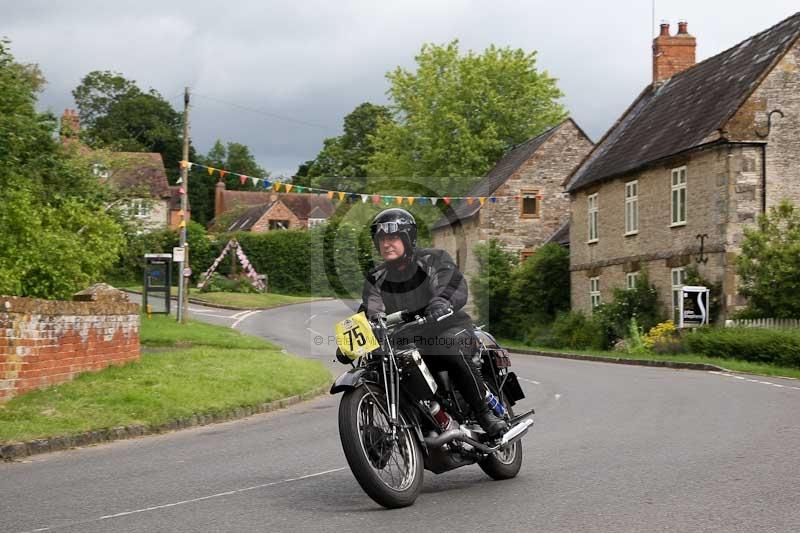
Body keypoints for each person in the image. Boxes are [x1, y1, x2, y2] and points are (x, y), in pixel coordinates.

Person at [361, 208, 506, 436]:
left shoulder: (433, 259)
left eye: (393, 238)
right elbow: (371, 306)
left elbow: (450, 284)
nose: (386, 244)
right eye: (381, 239)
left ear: (408, 239)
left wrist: (440, 304)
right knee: (380, 367)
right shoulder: (376, 277)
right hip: (409, 341)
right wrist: (357, 332)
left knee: (449, 348)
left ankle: (483, 413)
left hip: (449, 326)